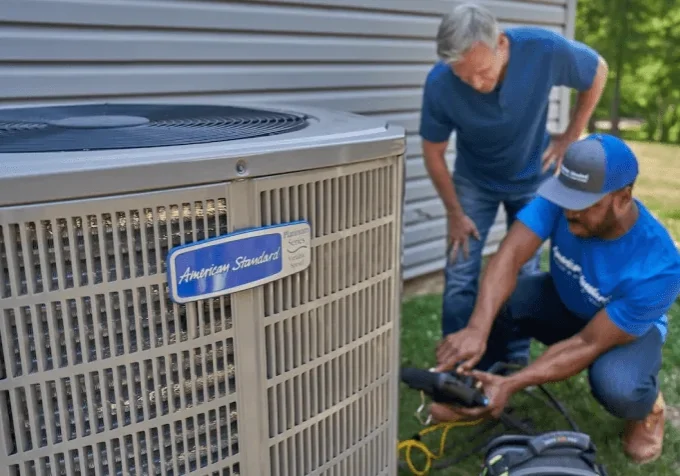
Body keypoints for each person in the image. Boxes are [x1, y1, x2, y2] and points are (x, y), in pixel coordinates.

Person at [432, 133, 680, 464]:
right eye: (565, 198)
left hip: (622, 333)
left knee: (617, 385)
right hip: (566, 301)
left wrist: (517, 383)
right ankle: (482, 391)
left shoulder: (659, 266)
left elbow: (588, 344)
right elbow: (510, 255)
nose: (569, 212)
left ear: (622, 198)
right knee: (500, 301)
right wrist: (477, 328)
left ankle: (648, 408)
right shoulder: (562, 201)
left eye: (582, 205)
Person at [419, 3, 608, 366]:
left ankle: (514, 361)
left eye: (482, 72)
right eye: (464, 76)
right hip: (473, 183)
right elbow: (433, 152)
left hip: (533, 179)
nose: (476, 84)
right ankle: (456, 364)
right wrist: (455, 212)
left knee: (523, 270)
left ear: (501, 45)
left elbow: (598, 70)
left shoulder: (543, 49)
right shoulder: (440, 83)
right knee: (460, 270)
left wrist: (571, 135)